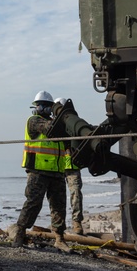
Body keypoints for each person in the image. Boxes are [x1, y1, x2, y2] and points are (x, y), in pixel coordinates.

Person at [9, 90, 70, 251]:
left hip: (57, 172)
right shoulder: (34, 121)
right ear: (36, 106)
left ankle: (59, 238)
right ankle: (19, 234)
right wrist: (65, 120)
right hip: (38, 171)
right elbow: (48, 129)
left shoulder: (57, 124)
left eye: (47, 105)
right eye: (41, 105)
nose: (44, 108)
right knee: (33, 203)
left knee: (59, 206)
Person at [56, 97, 85, 236]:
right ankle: (58, 225)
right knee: (57, 198)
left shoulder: (74, 123)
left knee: (76, 194)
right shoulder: (54, 126)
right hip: (58, 166)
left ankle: (76, 222)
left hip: (72, 166)